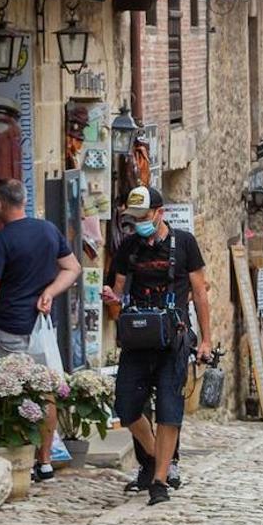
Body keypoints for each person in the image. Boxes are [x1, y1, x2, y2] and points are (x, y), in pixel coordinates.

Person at [102, 186, 213, 506]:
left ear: (160, 213)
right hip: (138, 341)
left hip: (173, 341)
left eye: (144, 216)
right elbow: (118, 295)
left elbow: (201, 292)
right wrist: (113, 300)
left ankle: (160, 481)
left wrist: (205, 340)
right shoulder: (128, 248)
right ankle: (152, 456)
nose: (138, 223)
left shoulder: (185, 244)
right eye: (133, 218)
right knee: (126, 406)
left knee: (169, 410)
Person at [0, 179, 81, 482]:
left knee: (9, 391)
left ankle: (18, 459)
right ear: (23, 200)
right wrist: (50, 292)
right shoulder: (48, 230)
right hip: (40, 327)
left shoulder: (2, 240)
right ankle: (46, 461)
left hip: (10, 326)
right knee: (44, 391)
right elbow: (73, 267)